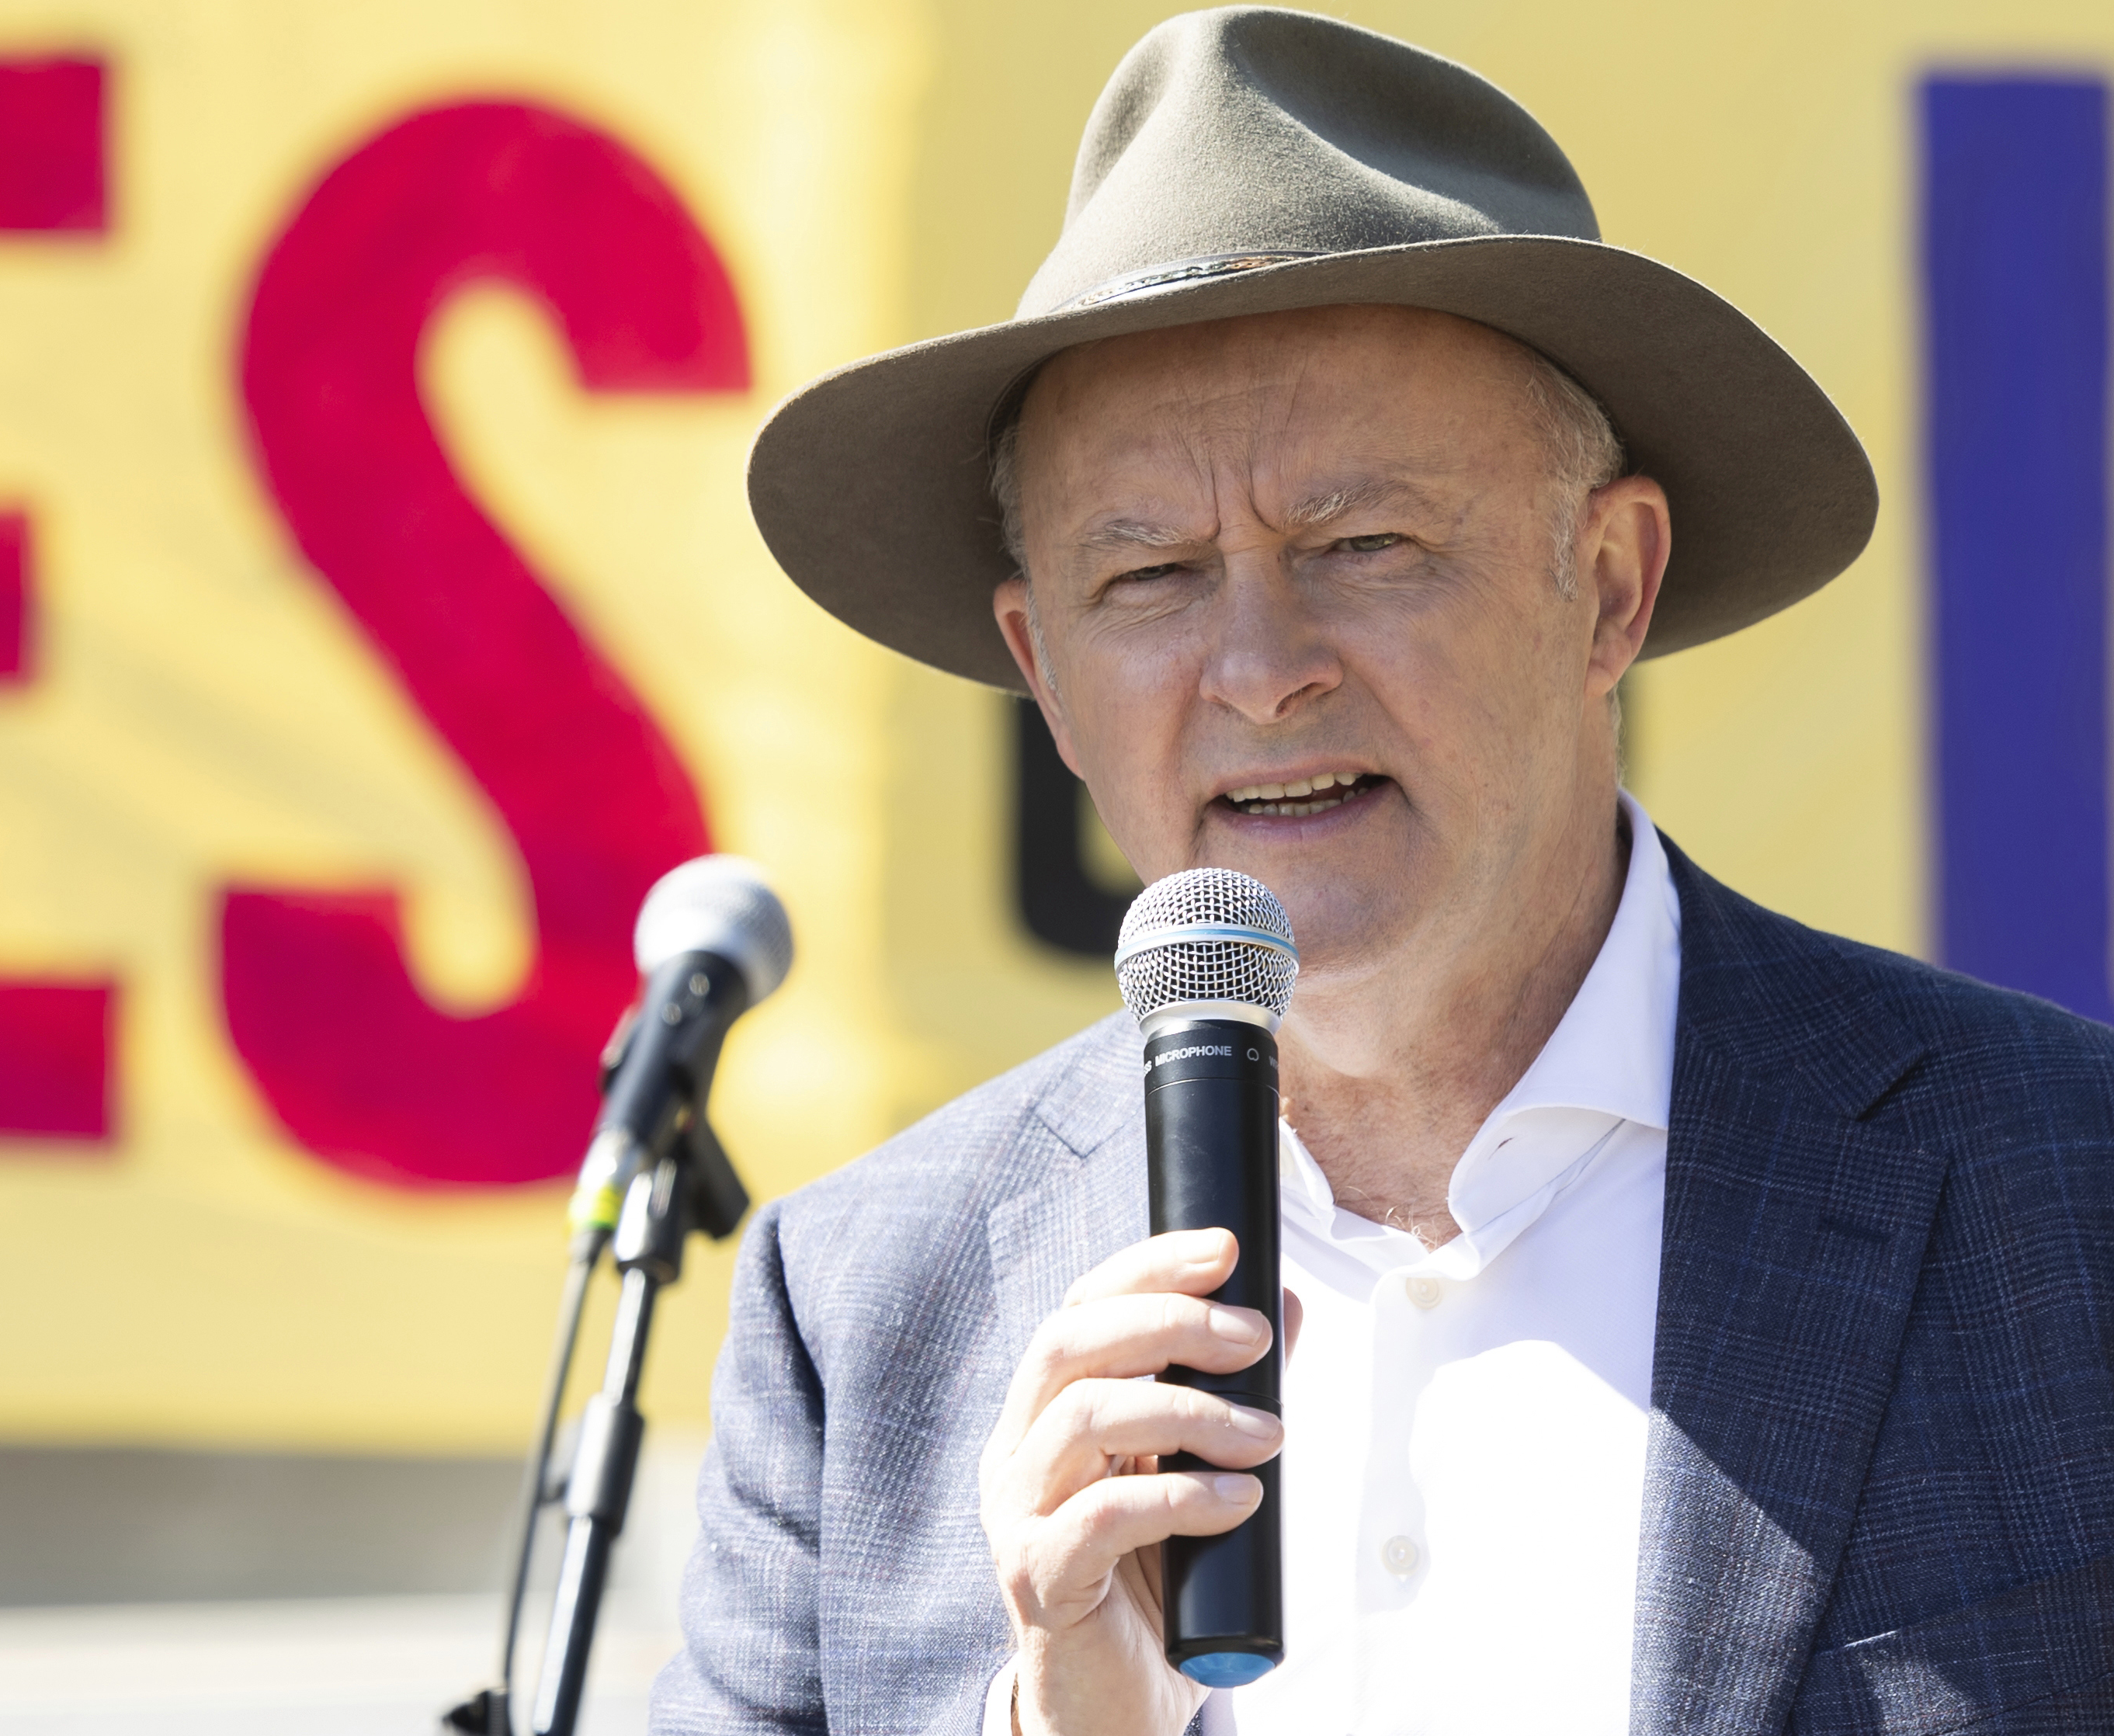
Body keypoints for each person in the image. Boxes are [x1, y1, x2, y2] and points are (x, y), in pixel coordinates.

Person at [650, 9, 2114, 1735]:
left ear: (1608, 585)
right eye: (1149, 578)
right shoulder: (860, 1312)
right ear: (1039, 671)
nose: (1260, 665)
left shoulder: (2060, 1195)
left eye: (1361, 544)